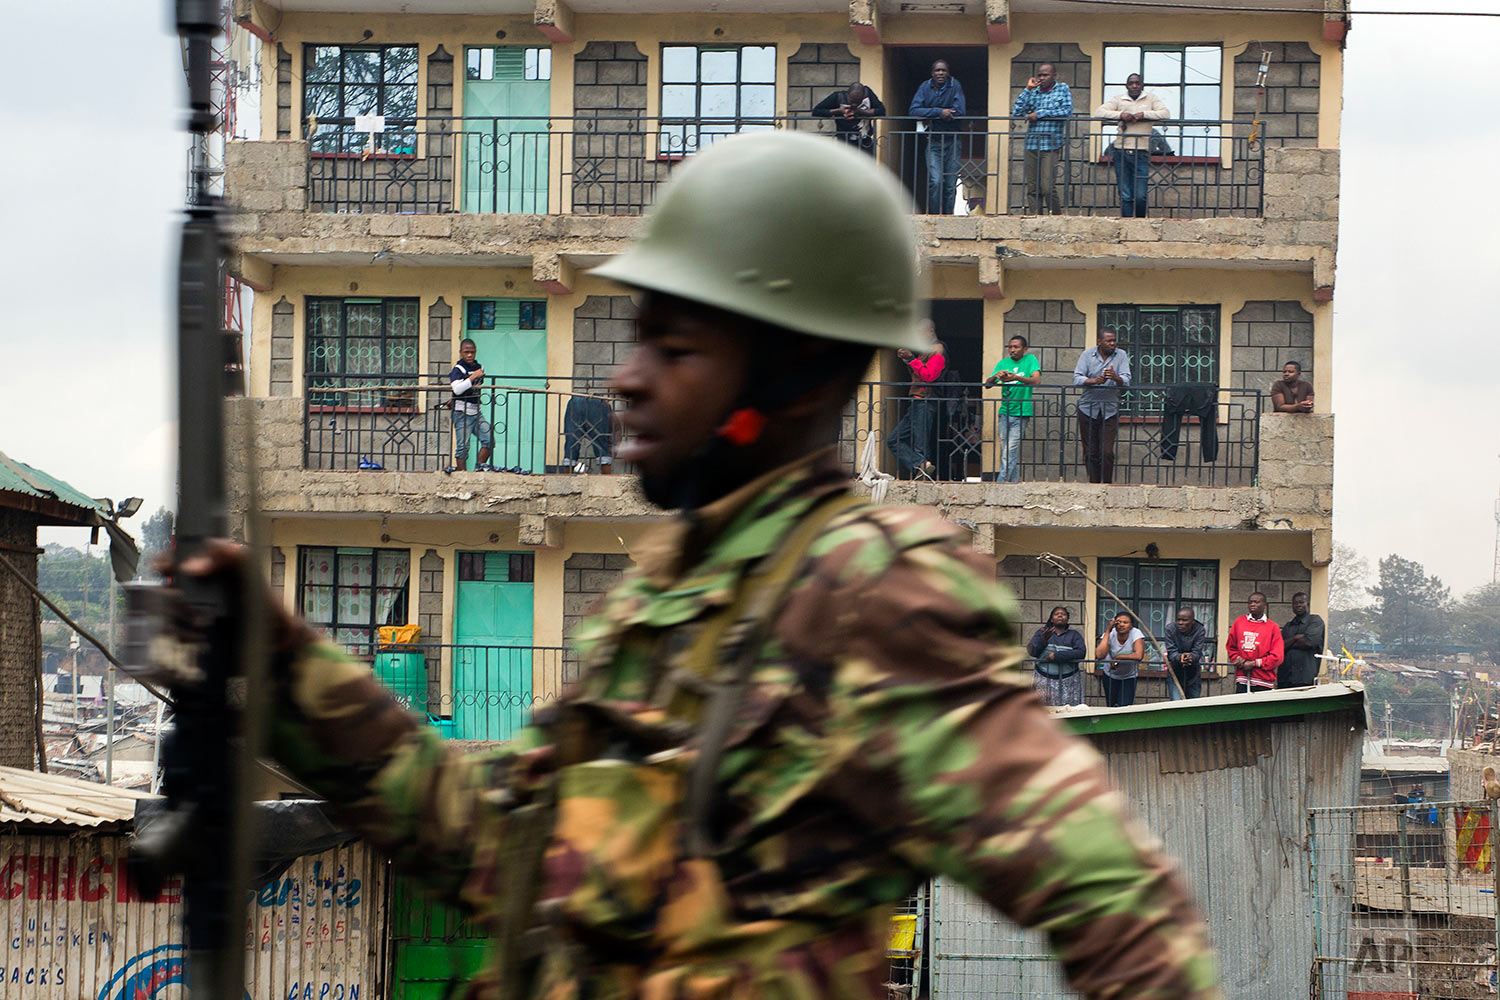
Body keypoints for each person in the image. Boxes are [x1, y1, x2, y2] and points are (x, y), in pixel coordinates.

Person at [171, 133, 1221, 1000]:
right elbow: (491, 845)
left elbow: (1122, 908)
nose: (623, 381)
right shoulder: (678, 591)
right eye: (638, 341)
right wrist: (280, 663)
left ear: (794, 375)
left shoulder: (872, 594)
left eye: (675, 349)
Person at [1094, 73, 1169, 218]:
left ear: (1142, 85)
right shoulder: (1119, 99)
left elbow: (1165, 113)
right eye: (1131, 83)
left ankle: (1140, 222)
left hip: (1141, 152)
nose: (1134, 86)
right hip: (1121, 151)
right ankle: (1126, 223)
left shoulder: (1150, 98)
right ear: (1126, 86)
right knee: (1125, 194)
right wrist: (1121, 115)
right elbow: (1099, 111)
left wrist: (1144, 115)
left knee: (1141, 195)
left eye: (1137, 83)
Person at [1011, 63, 1073, 215]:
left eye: (1045, 75)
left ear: (1054, 75)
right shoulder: (1034, 92)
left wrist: (1040, 113)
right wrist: (1027, 90)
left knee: (1047, 187)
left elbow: (1066, 111)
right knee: (1032, 188)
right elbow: (1016, 112)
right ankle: (1035, 219)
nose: (1042, 78)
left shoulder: (1062, 89)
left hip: (1051, 145)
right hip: (1032, 144)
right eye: (1039, 75)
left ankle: (1056, 219)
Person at [1072, 328, 1131, 483]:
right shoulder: (1087, 355)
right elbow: (1077, 378)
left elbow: (1127, 380)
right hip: (1087, 409)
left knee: (1106, 452)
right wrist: (1094, 381)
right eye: (1108, 340)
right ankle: (1094, 484)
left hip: (1110, 409)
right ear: (1099, 341)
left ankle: (1106, 484)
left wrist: (1116, 377)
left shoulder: (1121, 355)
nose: (1113, 343)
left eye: (1114, 340)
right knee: (1090, 452)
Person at [908, 60, 967, 215]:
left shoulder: (955, 86)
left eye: (944, 70)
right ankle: (934, 216)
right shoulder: (925, 87)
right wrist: (939, 112)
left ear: (948, 73)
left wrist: (931, 112)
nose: (940, 73)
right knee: (935, 181)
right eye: (937, 70)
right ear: (932, 73)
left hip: (953, 140)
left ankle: (948, 217)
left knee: (950, 183)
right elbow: (914, 110)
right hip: (933, 140)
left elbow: (959, 111)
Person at [983, 335, 1040, 483]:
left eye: (1016, 347)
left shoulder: (1030, 360)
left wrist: (1016, 378)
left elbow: (1036, 380)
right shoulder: (1003, 363)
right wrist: (997, 375)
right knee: (1006, 450)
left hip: (1022, 412)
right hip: (1004, 412)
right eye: (1010, 347)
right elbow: (987, 385)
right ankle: (1014, 482)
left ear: (1024, 349)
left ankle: (1001, 483)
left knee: (1010, 450)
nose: (1012, 350)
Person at [888, 333, 946, 479]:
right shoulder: (925, 352)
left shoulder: (938, 349)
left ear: (930, 331)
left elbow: (929, 376)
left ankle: (923, 475)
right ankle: (921, 465)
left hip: (925, 401)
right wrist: (908, 359)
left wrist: (912, 359)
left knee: (920, 444)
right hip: (916, 401)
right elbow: (918, 372)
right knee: (894, 440)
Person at [1027, 605, 1087, 707]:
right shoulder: (1042, 632)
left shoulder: (1074, 635)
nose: (1060, 615)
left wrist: (1057, 656)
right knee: (1044, 709)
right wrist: (1043, 640)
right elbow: (1032, 651)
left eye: (1063, 614)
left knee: (1068, 709)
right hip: (1044, 678)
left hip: (1069, 680)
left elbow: (1081, 653)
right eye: (1056, 614)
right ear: (1051, 618)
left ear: (1067, 619)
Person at [449, 338, 494, 472]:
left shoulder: (478, 367)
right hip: (461, 412)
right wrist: (473, 377)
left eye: (472, 352)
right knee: (463, 446)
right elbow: (456, 389)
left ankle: (478, 469)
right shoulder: (458, 369)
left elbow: (476, 386)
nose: (469, 355)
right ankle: (461, 474)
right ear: (461, 353)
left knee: (489, 440)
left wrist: (474, 378)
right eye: (466, 352)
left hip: (476, 411)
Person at [1226, 591, 1284, 694]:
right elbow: (1231, 647)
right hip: (1243, 679)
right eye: (1250, 602)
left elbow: (1277, 657)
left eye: (1256, 602)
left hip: (1263, 681)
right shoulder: (1239, 622)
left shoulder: (1273, 627)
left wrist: (1254, 663)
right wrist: (1239, 660)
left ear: (1264, 605)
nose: (1253, 604)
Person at [811, 81, 886, 154]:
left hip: (865, 139)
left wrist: (860, 112)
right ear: (847, 95)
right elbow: (816, 111)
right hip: (845, 139)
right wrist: (839, 111)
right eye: (851, 101)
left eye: (858, 102)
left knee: (867, 164)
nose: (854, 104)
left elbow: (882, 111)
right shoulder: (837, 96)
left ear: (863, 96)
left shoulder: (868, 94)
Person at [1096, 611, 1146, 708]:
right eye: (1119, 622)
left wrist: (1119, 657)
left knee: (1125, 706)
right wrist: (1108, 630)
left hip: (1129, 677)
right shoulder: (1111, 633)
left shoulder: (1135, 633)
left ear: (1131, 625)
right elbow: (1099, 654)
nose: (1121, 625)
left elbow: (1139, 655)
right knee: (1111, 706)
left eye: (1125, 622)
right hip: (1110, 675)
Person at [1279, 591, 1325, 688]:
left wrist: (1289, 643)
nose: (1298, 605)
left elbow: (1308, 643)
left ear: (1307, 604)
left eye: (1301, 602)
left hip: (1305, 678)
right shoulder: (1288, 626)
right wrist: (1295, 638)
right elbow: (1280, 647)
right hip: (1286, 677)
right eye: (1295, 603)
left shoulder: (1315, 621)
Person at [1165, 607, 1208, 700]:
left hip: (1193, 674)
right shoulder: (1170, 629)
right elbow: (1171, 652)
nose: (1180, 623)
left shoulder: (1200, 630)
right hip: (1175, 672)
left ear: (1192, 621)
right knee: (1176, 705)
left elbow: (1197, 652)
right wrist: (1180, 657)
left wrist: (1190, 658)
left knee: (1193, 706)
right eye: (1178, 620)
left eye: (1184, 620)